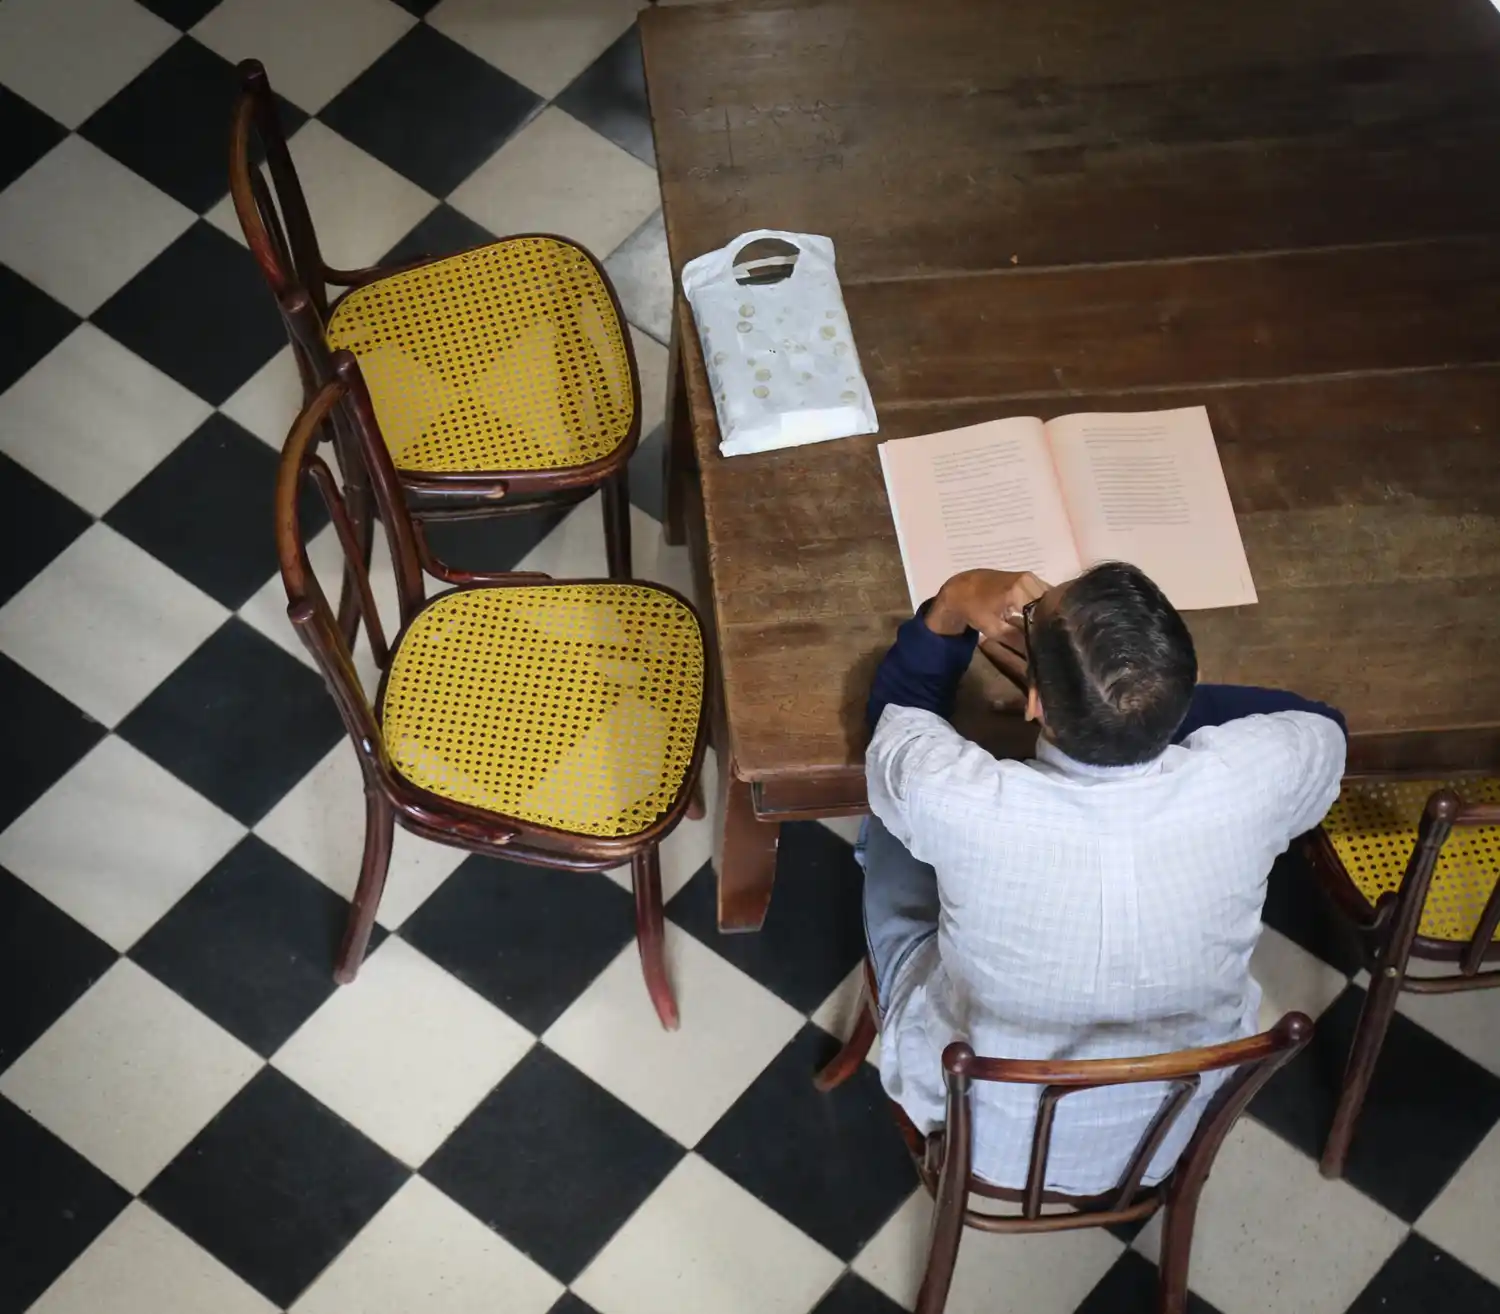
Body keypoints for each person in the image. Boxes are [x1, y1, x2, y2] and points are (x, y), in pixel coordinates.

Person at [861, 561, 1346, 1193]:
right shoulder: (1253, 774)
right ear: (1189, 685)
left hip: (981, 1132)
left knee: (888, 831)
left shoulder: (958, 797)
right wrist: (1142, 700)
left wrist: (954, 603)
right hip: (1168, 1131)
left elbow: (894, 720)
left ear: (1033, 703)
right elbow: (1323, 727)